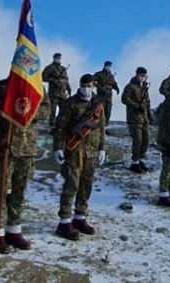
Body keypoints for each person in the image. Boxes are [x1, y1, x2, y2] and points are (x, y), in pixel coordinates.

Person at [0, 78, 49, 253]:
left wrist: (27, 110)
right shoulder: (1, 86)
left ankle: (14, 230)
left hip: (27, 148)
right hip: (4, 146)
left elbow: (46, 109)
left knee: (19, 191)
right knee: (1, 191)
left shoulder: (37, 89)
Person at [53, 74, 107, 239]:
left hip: (91, 150)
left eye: (89, 86)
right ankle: (64, 222)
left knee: (86, 185)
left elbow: (101, 127)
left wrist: (102, 148)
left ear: (93, 86)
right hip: (74, 149)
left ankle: (80, 218)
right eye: (84, 85)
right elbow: (60, 126)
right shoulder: (70, 103)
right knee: (71, 185)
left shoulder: (98, 104)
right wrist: (58, 147)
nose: (86, 88)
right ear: (80, 85)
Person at [121, 66, 152, 174]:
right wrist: (135, 105)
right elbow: (124, 99)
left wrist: (149, 114)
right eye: (141, 75)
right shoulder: (130, 86)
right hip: (134, 118)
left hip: (144, 118)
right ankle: (134, 162)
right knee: (138, 140)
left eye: (144, 76)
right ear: (137, 74)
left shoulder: (144, 87)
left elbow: (147, 101)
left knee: (146, 140)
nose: (142, 77)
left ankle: (141, 160)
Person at [42, 53, 71, 127]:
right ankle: (51, 125)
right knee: (53, 110)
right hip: (54, 93)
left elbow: (66, 80)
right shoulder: (50, 68)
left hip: (62, 93)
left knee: (64, 110)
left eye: (60, 58)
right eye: (57, 58)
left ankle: (60, 124)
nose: (59, 59)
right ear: (54, 58)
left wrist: (69, 89)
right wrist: (52, 80)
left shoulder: (63, 69)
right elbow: (43, 77)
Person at [93, 60, 120, 126]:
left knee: (108, 111)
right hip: (101, 96)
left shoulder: (111, 76)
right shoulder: (99, 74)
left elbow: (114, 84)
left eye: (110, 66)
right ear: (104, 66)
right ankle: (97, 125)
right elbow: (92, 81)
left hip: (109, 96)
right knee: (99, 110)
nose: (108, 67)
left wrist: (117, 88)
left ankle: (105, 125)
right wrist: (100, 87)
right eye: (107, 66)